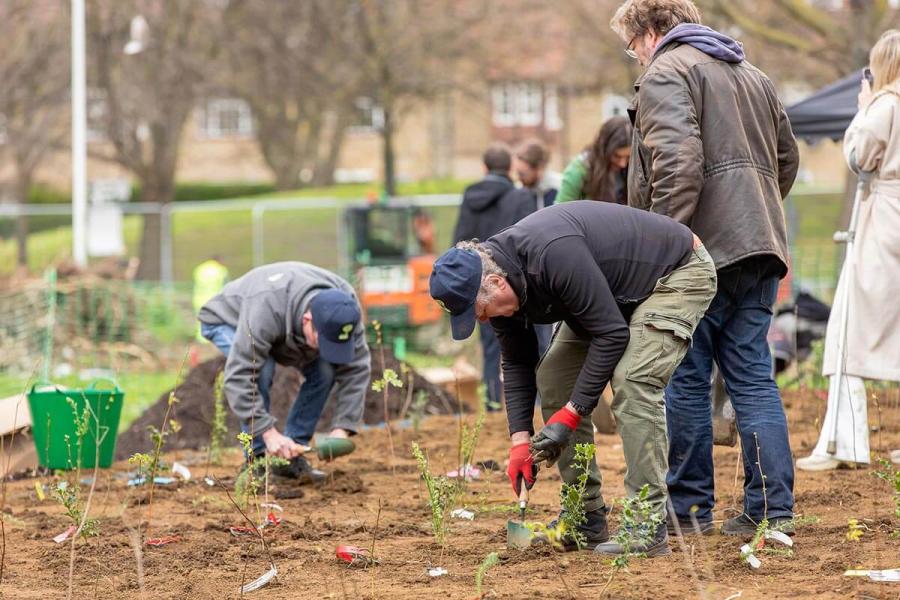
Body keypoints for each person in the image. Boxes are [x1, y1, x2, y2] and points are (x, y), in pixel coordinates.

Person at [611, 0, 800, 536]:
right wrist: (754, 216)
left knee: (686, 381)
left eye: (631, 46)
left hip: (698, 252)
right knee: (753, 378)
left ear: (650, 33)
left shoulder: (665, 74)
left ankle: (689, 510)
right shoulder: (753, 74)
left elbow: (676, 162)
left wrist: (665, 244)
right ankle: (770, 509)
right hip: (760, 244)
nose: (635, 59)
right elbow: (787, 160)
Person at [431, 201, 716, 555]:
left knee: (633, 381)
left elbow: (611, 335)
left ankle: (647, 522)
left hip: (675, 273)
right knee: (553, 376)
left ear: (494, 282)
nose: (484, 321)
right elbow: (518, 363)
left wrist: (571, 414)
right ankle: (586, 517)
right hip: (614, 294)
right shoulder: (497, 287)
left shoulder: (551, 254)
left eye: (479, 312)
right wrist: (520, 440)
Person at [797, 30, 900, 471]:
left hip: (884, 221)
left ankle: (846, 442)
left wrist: (862, 111)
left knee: (847, 327)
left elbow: (858, 156)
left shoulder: (885, 105)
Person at [198, 262, 370, 482]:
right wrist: (268, 433)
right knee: (261, 368)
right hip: (227, 320)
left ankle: (289, 457)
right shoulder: (266, 309)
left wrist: (342, 428)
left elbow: (357, 369)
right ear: (307, 321)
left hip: (281, 325)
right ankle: (257, 461)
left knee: (325, 370)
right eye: (323, 342)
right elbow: (239, 376)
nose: (327, 348)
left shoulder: (345, 310)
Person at [453, 143, 537, 412]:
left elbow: (459, 238)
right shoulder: (519, 197)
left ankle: (490, 404)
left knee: (491, 346)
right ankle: (533, 403)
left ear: (484, 167)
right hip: (509, 281)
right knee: (525, 344)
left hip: (476, 283)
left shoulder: (470, 196)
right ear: (510, 168)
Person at [556, 116, 633, 204]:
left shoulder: (633, 170)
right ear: (604, 148)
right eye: (616, 156)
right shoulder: (578, 171)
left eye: (628, 157)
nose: (622, 164)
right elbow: (561, 212)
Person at [514, 138, 560, 209]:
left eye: (522, 174)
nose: (519, 178)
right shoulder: (518, 190)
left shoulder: (559, 187)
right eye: (518, 173)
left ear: (539, 168)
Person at [192, 256, 229, 341]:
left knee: (200, 320)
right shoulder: (221, 270)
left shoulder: (200, 269)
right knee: (217, 320)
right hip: (214, 299)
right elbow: (226, 285)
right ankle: (215, 339)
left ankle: (201, 340)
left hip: (199, 298)